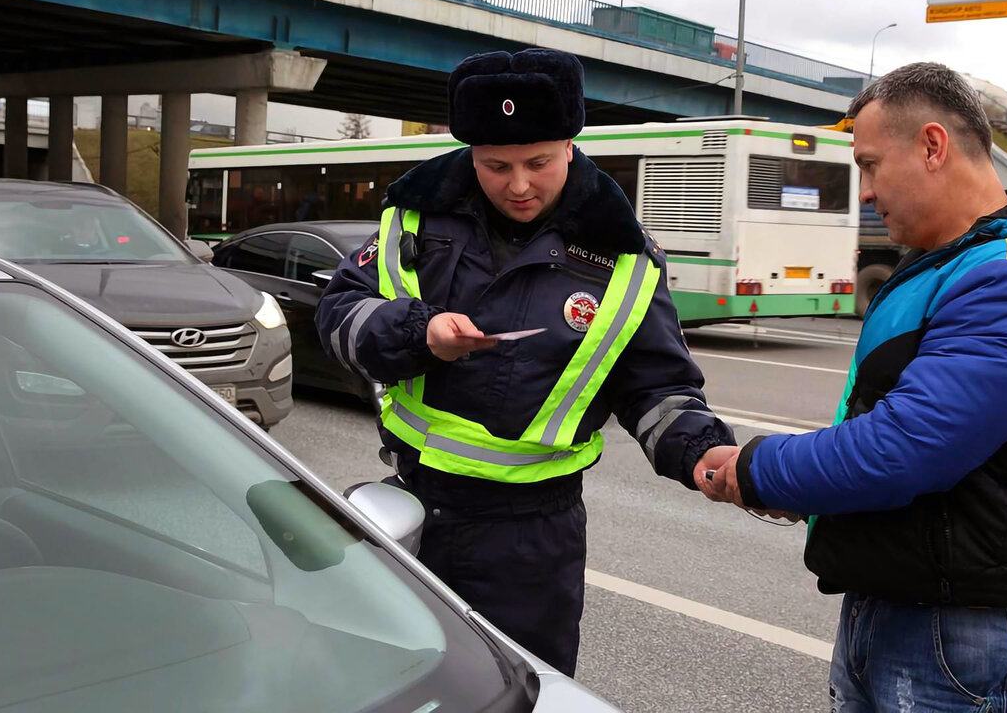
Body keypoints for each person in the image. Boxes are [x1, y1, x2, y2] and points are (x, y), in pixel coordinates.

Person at [702, 62, 1007, 711]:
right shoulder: (945, 261)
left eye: (868, 165)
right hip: (902, 606)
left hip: (960, 631)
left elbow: (906, 447)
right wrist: (810, 491)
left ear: (932, 145)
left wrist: (757, 471)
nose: (864, 193)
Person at [314, 47, 734, 677]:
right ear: (470, 155)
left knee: (519, 690)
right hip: (410, 506)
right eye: (495, 165)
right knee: (398, 686)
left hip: (532, 539)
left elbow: (657, 385)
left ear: (570, 144)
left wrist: (701, 450)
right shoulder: (412, 220)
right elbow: (338, 317)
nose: (518, 185)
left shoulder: (626, 257)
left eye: (538, 162)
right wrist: (418, 330)